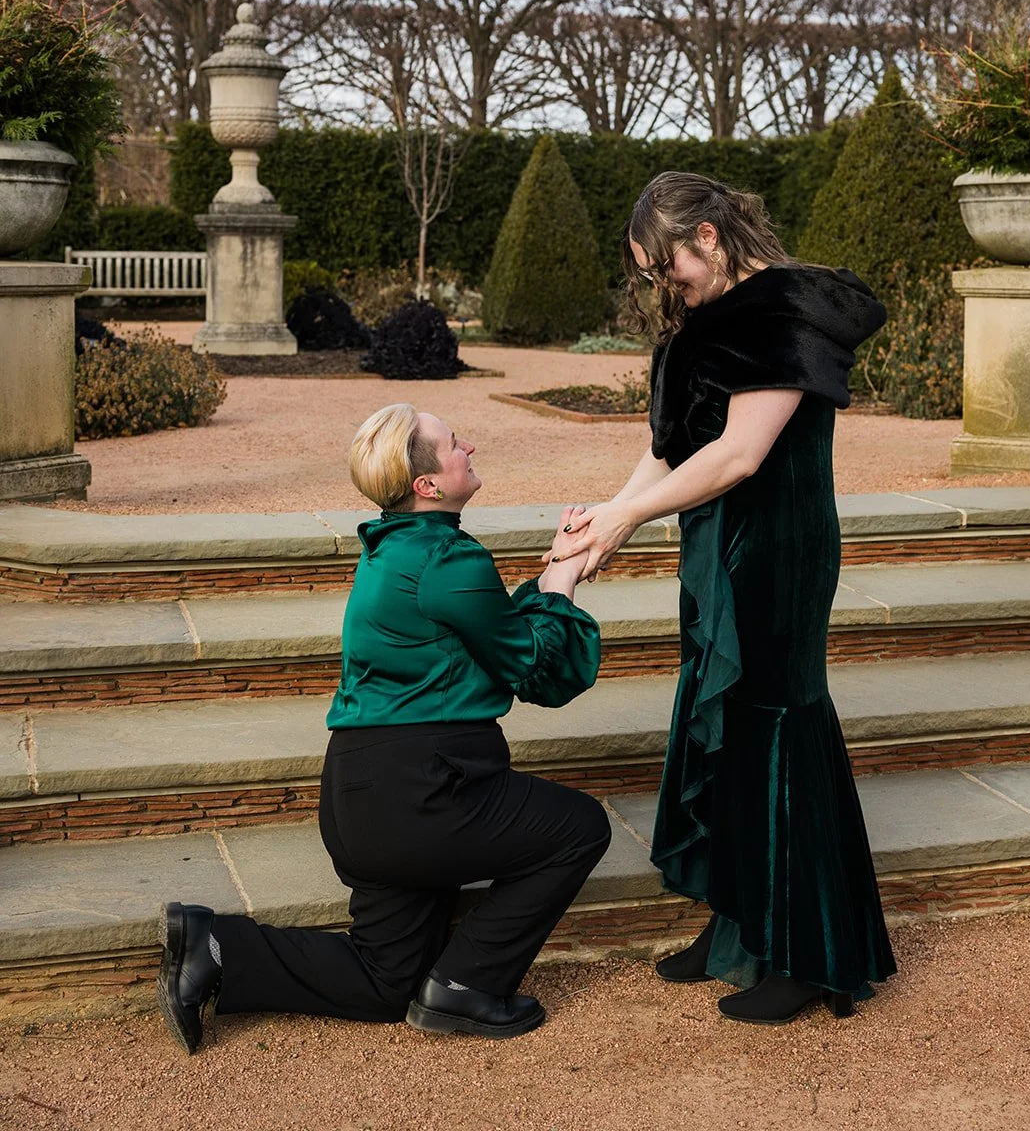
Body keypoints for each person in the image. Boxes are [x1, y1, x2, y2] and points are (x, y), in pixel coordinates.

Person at [157, 403, 610, 1052]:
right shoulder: (446, 559)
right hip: (425, 794)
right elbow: (537, 667)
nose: (470, 447)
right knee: (578, 829)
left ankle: (216, 945)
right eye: (455, 444)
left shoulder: (395, 548)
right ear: (427, 484)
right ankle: (465, 988)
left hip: (366, 799)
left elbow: (494, 635)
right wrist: (564, 576)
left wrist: (553, 575)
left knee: (384, 982)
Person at [554, 170, 897, 1025]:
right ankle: (738, 925)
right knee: (731, 728)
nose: (663, 285)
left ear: (706, 236)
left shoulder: (786, 313)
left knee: (778, 729)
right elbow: (673, 447)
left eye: (664, 266)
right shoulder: (708, 325)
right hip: (717, 551)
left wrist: (629, 513)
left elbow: (741, 455)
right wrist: (608, 525)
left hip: (777, 551)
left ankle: (810, 955)